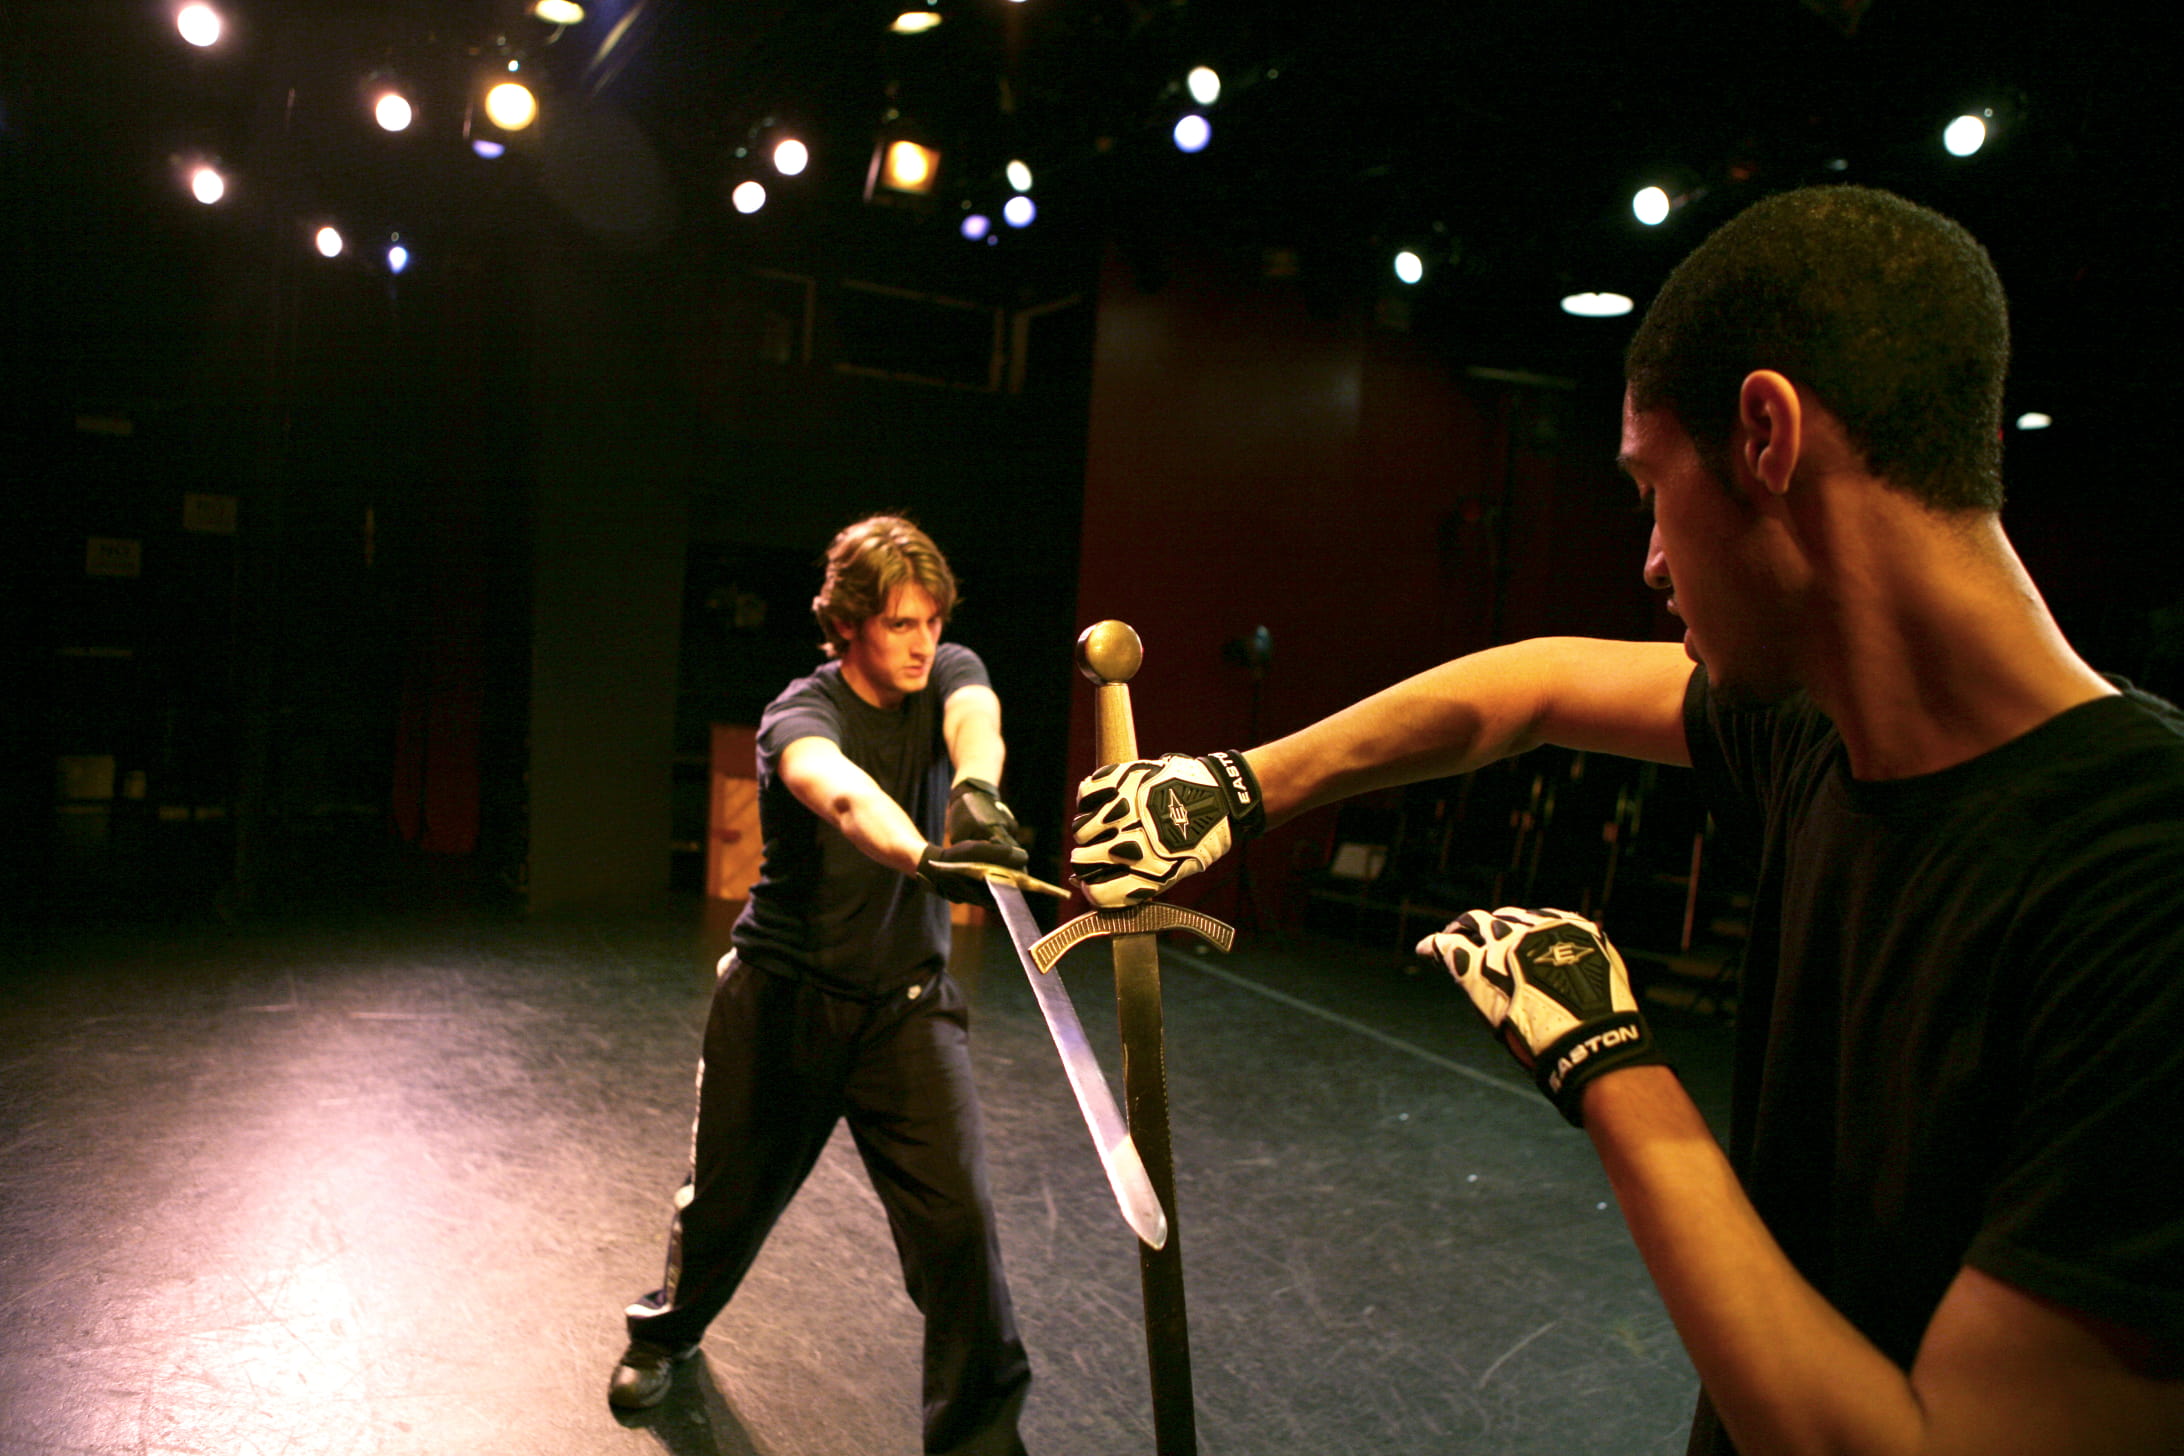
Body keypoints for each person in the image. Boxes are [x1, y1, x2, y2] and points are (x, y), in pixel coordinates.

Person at [1067, 186, 2184, 1455]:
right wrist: (1249, 781)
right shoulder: (1825, 728)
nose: (1651, 559)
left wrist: (1613, 1070)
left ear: (1768, 437)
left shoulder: (2143, 875)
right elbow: (1533, 685)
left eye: (1653, 487)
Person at [611, 515, 1035, 1456]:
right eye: (898, 625)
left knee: (960, 1233)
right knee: (722, 1210)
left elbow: (979, 723)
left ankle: (978, 1444)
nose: (923, 642)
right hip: (783, 1005)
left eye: (931, 620)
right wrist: (925, 856)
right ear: (846, 625)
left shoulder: (950, 673)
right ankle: (669, 1333)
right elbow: (842, 794)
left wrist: (977, 796)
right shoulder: (800, 713)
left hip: (907, 1014)